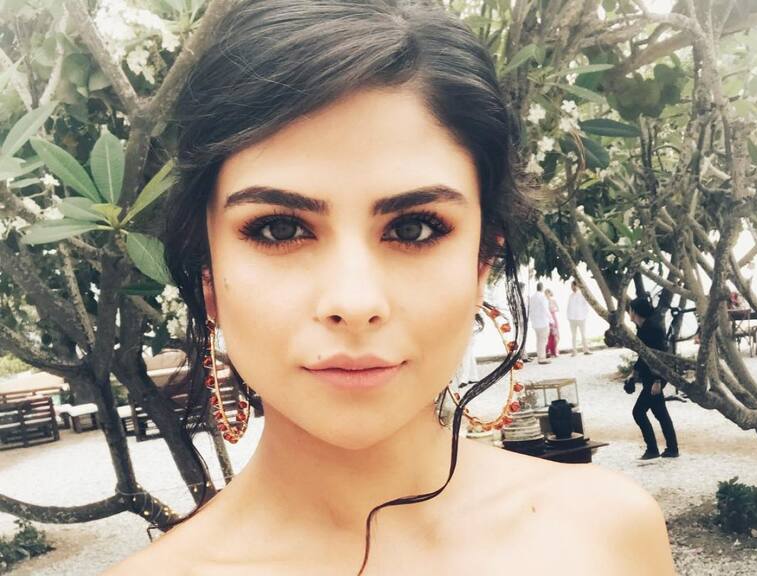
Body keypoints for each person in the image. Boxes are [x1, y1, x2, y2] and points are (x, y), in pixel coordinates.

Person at [104, 2, 675, 574]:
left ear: (482, 264)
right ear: (208, 276)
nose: (355, 304)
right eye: (280, 229)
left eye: (413, 229)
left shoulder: (607, 536)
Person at [627, 298, 680, 460]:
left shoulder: (652, 329)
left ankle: (652, 449)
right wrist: (634, 373)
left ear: (636, 312)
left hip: (655, 377)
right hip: (650, 377)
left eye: (630, 310)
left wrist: (657, 381)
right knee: (660, 412)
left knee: (638, 412)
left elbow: (659, 356)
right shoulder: (643, 329)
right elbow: (643, 356)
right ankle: (671, 449)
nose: (629, 313)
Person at [529, 282, 552, 365]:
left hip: (535, 323)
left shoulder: (532, 298)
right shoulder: (543, 297)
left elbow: (530, 310)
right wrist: (551, 320)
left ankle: (540, 357)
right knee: (543, 341)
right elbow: (546, 310)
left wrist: (532, 320)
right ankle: (542, 358)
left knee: (539, 341)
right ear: (542, 288)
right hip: (543, 322)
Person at [567, 280, 592, 356]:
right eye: (571, 286)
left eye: (572, 286)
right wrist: (569, 317)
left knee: (583, 335)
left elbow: (586, 306)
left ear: (576, 286)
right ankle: (574, 351)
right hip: (572, 319)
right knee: (573, 336)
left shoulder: (582, 295)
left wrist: (584, 316)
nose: (571, 287)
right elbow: (569, 307)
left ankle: (586, 350)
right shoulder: (571, 296)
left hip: (581, 318)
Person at [544, 288, 559, 358]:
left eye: (547, 293)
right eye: (545, 293)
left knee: (555, 335)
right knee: (548, 335)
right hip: (547, 319)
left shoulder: (553, 300)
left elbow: (558, 308)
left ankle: (555, 350)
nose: (546, 295)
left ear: (550, 293)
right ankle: (549, 351)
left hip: (553, 317)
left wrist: (552, 310)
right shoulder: (544, 301)